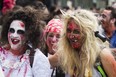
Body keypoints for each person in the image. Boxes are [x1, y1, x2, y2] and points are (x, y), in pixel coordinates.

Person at [57, 9, 116, 77]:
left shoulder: (103, 55)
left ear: (88, 33)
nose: (71, 35)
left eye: (76, 31)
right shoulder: (66, 53)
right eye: (69, 30)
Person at [0, 6, 51, 77]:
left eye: (20, 32)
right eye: (11, 30)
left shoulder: (38, 59)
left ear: (29, 34)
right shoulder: (1, 54)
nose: (14, 35)